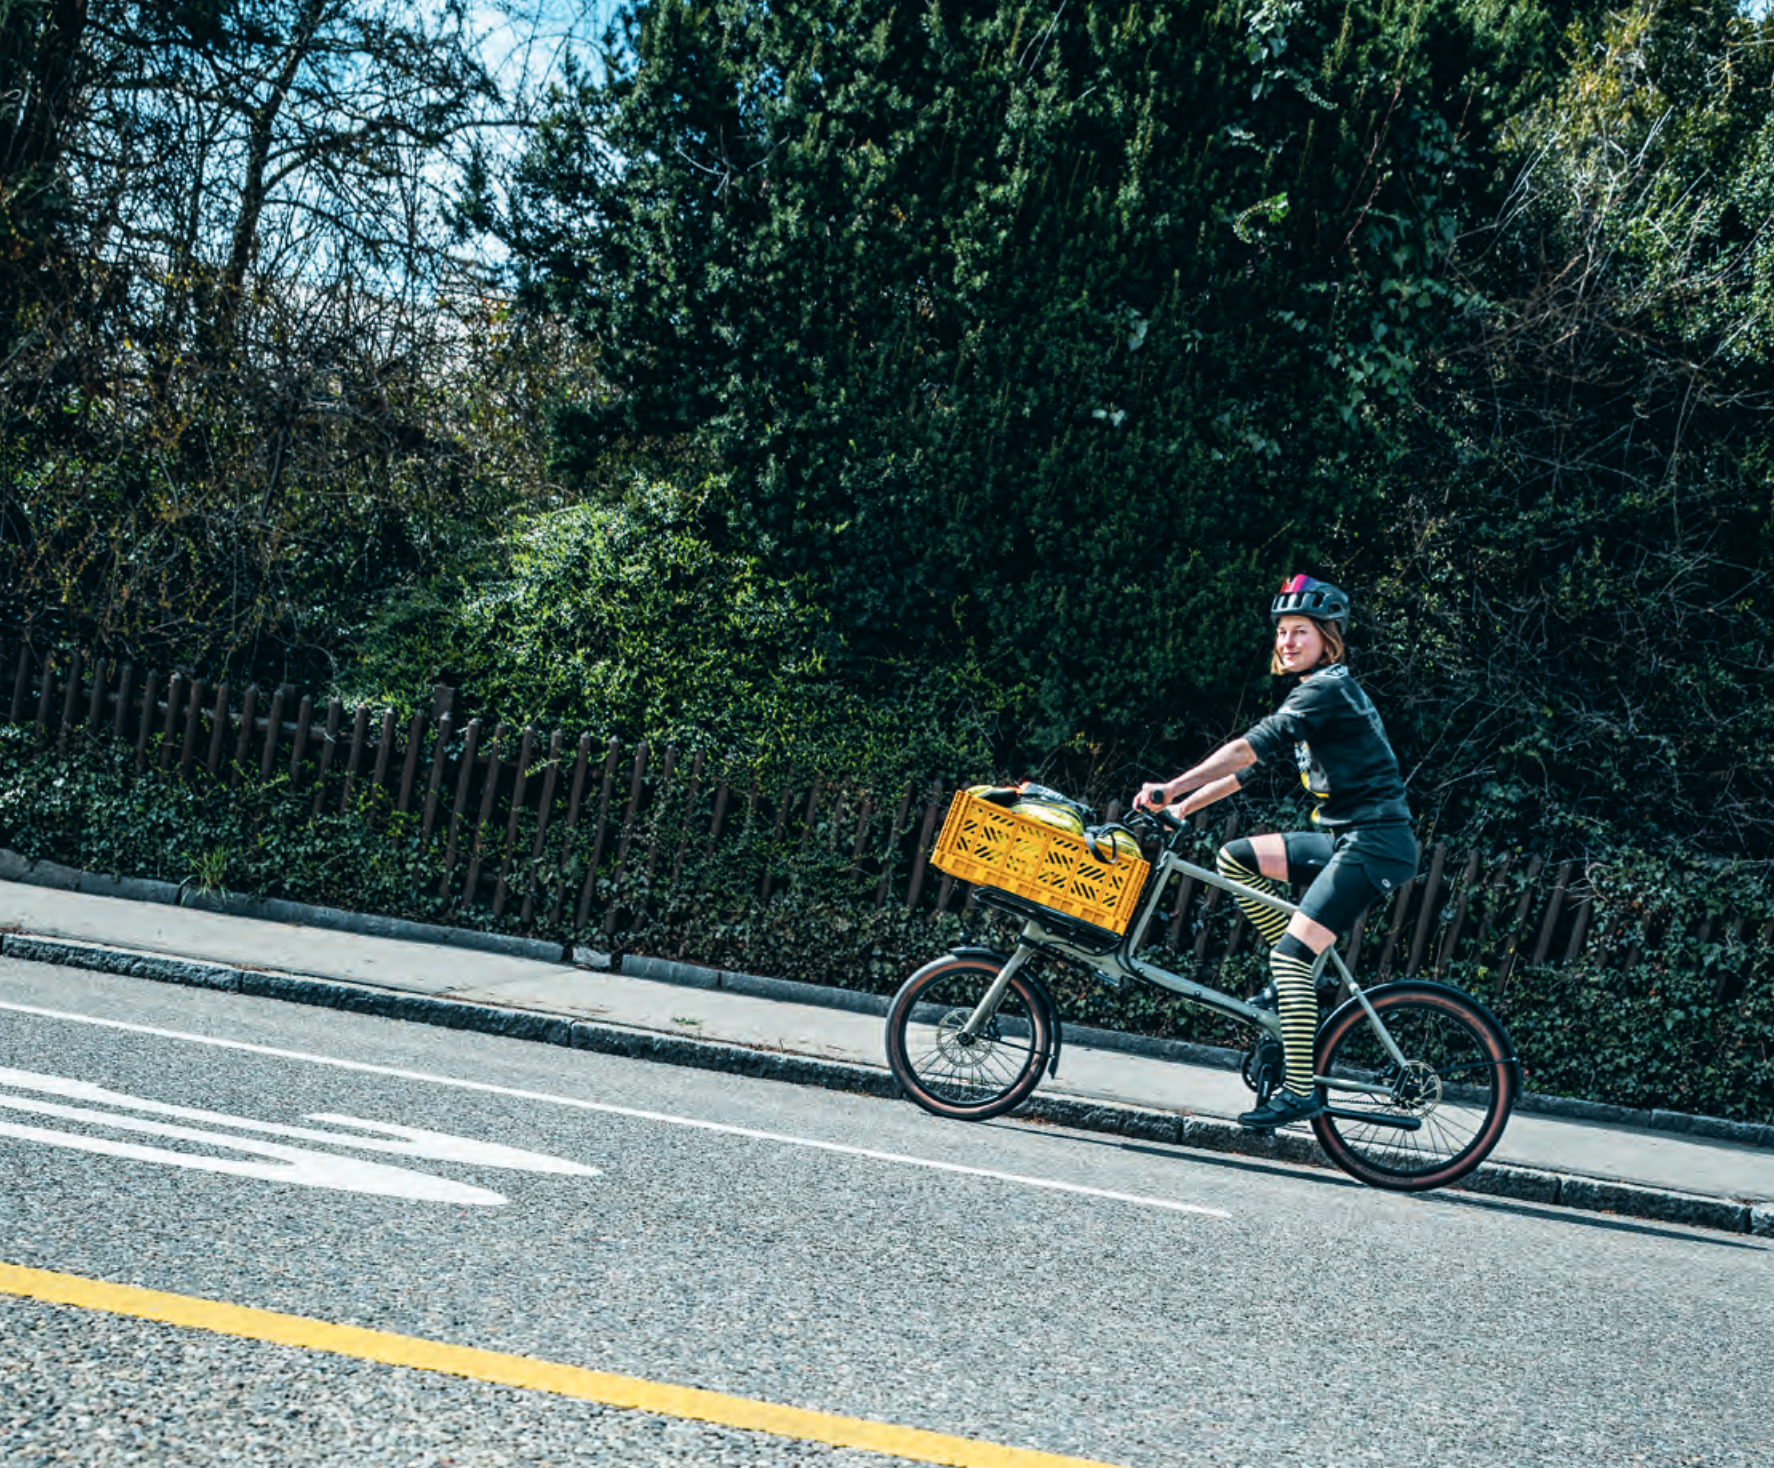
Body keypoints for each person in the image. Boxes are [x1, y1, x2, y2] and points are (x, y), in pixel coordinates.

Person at [1135, 574, 1416, 1128]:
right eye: (1283, 632)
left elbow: (1245, 749)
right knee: (1234, 857)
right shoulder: (1318, 695)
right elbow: (1251, 770)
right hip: (1346, 839)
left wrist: (1169, 786)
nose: (1287, 642)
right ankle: (1301, 981)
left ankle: (1300, 1089)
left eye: (1300, 632)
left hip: (1373, 844)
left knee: (1289, 956)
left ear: (1327, 638)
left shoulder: (1325, 690)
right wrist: (1182, 807)